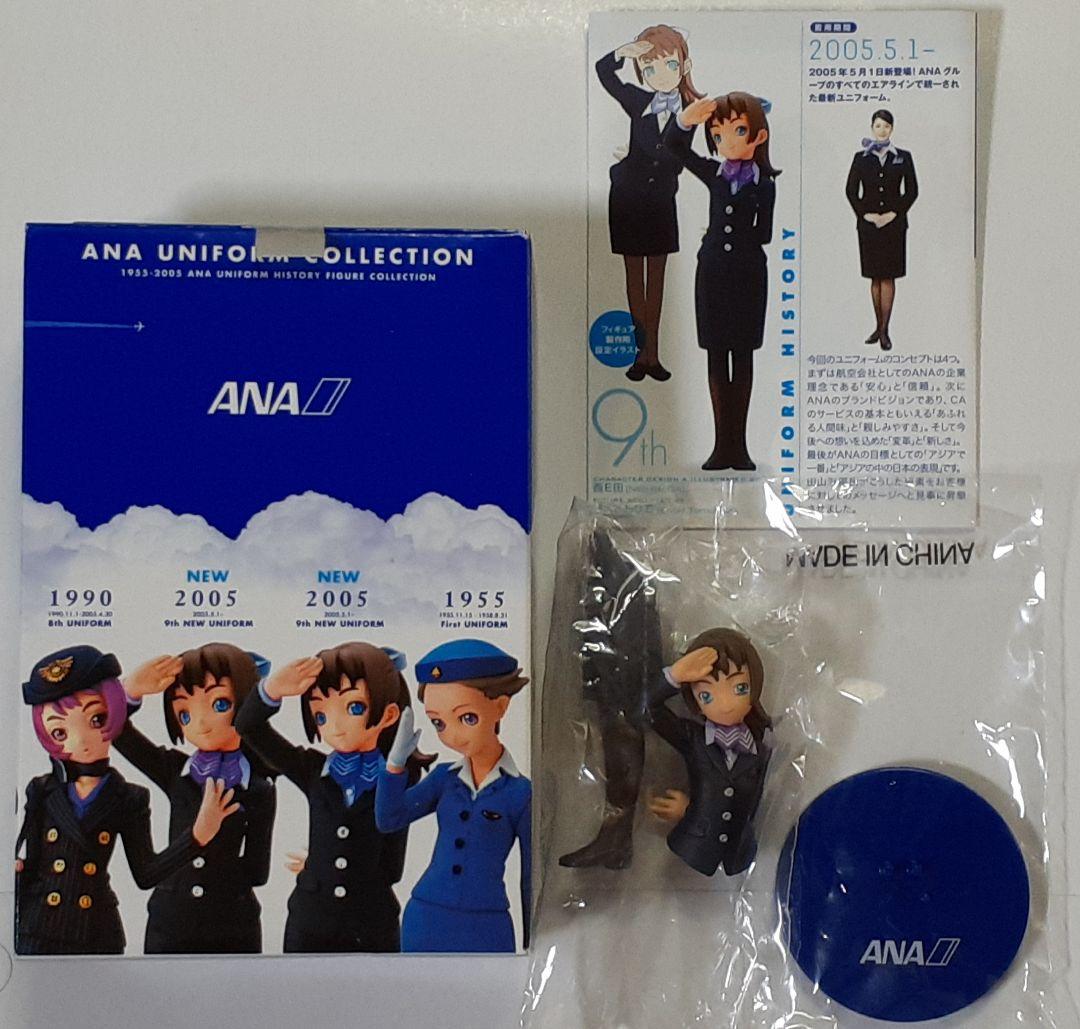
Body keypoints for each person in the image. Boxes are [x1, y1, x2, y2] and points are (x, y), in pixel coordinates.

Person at [15, 645, 235, 955]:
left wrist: (197, 836)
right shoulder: (41, 790)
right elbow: (31, 864)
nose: (81, 741)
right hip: (39, 927)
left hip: (95, 930)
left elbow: (146, 873)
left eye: (96, 719)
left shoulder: (129, 797)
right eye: (59, 732)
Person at [235, 642, 430, 952]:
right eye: (321, 716)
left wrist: (338, 865)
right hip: (311, 917)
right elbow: (248, 727)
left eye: (354, 708)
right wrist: (272, 690)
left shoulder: (400, 777)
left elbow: (392, 867)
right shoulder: (312, 769)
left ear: (390, 714)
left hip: (371, 919)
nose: (335, 727)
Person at [116, 643, 277, 953]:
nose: (200, 724)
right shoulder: (176, 771)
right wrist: (131, 691)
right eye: (185, 714)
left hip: (232, 923)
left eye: (219, 704)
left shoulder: (259, 787)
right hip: (171, 918)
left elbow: (258, 872)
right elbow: (121, 735)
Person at [376, 639, 530, 952]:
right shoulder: (444, 778)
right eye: (439, 723)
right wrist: (394, 766)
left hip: (487, 923)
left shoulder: (520, 792)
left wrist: (533, 939)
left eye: (467, 718)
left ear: (500, 706)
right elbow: (389, 819)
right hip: (426, 914)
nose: (453, 735)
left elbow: (530, 876)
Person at [664, 92, 780, 471]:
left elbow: (765, 233)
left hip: (748, 274)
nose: (726, 142)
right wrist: (686, 120)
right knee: (716, 354)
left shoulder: (765, 183)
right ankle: (721, 447)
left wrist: (727, 235)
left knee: (743, 355)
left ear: (759, 136)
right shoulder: (714, 173)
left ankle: (739, 447)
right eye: (717, 135)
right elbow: (674, 147)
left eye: (738, 131)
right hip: (713, 270)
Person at [596, 24, 704, 382]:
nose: (660, 74)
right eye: (650, 67)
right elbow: (603, 73)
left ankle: (652, 355)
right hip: (628, 199)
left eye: (669, 65)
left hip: (661, 202)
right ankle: (638, 354)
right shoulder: (637, 101)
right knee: (633, 280)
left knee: (656, 282)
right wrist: (621, 53)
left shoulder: (691, 110)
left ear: (684, 66)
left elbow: (679, 157)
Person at [645, 628, 771, 877]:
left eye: (739, 688)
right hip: (694, 844)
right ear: (695, 701)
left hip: (740, 853)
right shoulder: (694, 739)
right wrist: (674, 676)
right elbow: (648, 710)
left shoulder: (761, 745)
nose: (725, 705)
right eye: (707, 695)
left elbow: (753, 804)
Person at [845, 108, 919, 350]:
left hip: (893, 225)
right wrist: (864, 214)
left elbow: (912, 191)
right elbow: (850, 190)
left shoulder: (903, 157)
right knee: (874, 277)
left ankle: (885, 330)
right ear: (872, 128)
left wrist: (893, 213)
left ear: (892, 129)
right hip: (868, 225)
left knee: (888, 276)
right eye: (878, 125)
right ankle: (878, 327)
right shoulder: (860, 157)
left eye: (886, 126)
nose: (882, 130)